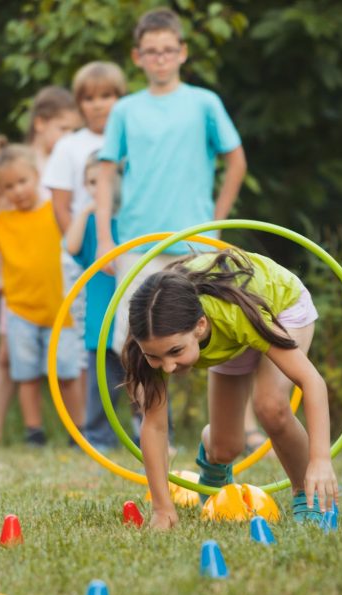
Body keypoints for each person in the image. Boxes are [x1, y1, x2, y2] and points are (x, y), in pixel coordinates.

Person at [121, 249, 337, 531]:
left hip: (279, 307)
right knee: (226, 448)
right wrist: (162, 509)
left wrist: (320, 460)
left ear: (200, 326)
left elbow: (312, 382)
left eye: (175, 351)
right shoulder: (152, 337)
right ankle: (213, 467)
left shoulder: (234, 315)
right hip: (230, 336)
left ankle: (308, 497)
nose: (168, 367)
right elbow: (156, 427)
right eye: (155, 357)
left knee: (270, 406)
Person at [94, 6, 247, 358]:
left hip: (197, 240)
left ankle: (230, 414)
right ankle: (148, 416)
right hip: (137, 241)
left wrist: (217, 224)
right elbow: (105, 175)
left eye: (167, 50)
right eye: (151, 51)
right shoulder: (125, 110)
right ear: (138, 57)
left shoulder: (204, 103)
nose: (160, 59)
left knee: (216, 333)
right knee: (133, 340)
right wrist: (105, 239)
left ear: (182, 51)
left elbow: (236, 160)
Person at [0, 87, 80, 445]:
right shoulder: (14, 166)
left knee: (67, 362)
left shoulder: (63, 166)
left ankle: (77, 430)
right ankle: (4, 432)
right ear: (41, 124)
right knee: (14, 358)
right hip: (18, 287)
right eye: (64, 129)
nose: (70, 137)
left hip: (56, 286)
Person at [44, 61, 127, 433]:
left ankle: (141, 424)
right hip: (84, 254)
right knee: (89, 342)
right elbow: (61, 205)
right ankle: (90, 426)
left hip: (126, 249)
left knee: (128, 335)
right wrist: (82, 251)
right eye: (89, 99)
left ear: (120, 99)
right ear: (79, 104)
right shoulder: (69, 146)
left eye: (107, 96)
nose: (98, 105)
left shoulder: (129, 138)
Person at [62, 153, 135, 451]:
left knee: (140, 379)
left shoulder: (133, 219)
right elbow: (71, 246)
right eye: (90, 182)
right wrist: (85, 212)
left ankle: (147, 434)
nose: (97, 188)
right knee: (101, 385)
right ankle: (98, 437)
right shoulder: (93, 224)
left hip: (131, 317)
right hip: (100, 318)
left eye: (103, 180)